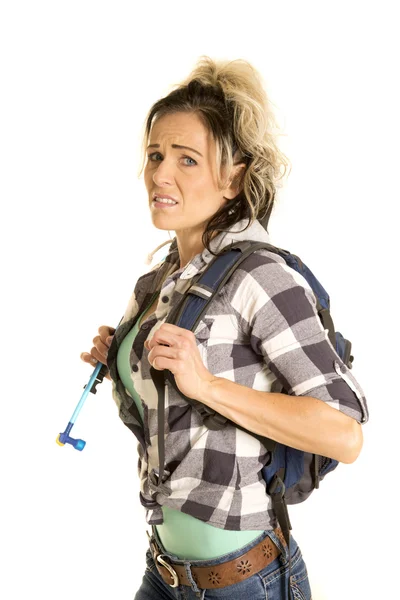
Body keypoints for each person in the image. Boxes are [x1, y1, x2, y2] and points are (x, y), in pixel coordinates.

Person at [80, 56, 368, 600]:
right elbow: (171, 427)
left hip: (245, 582)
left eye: (187, 160)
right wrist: (121, 359)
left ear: (233, 178)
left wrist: (207, 385)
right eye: (155, 155)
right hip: (164, 573)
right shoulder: (157, 284)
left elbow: (344, 433)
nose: (161, 174)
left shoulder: (263, 276)